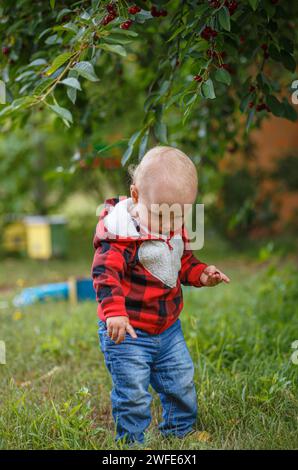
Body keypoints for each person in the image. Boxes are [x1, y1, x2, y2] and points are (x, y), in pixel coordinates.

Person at [91, 145, 230, 444]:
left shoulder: (173, 226)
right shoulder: (120, 234)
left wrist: (202, 274)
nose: (169, 226)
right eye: (162, 216)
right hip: (127, 332)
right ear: (137, 196)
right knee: (134, 394)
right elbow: (105, 276)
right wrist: (114, 312)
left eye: (178, 217)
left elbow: (181, 263)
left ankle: (179, 433)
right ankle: (131, 443)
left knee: (180, 382)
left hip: (168, 329)